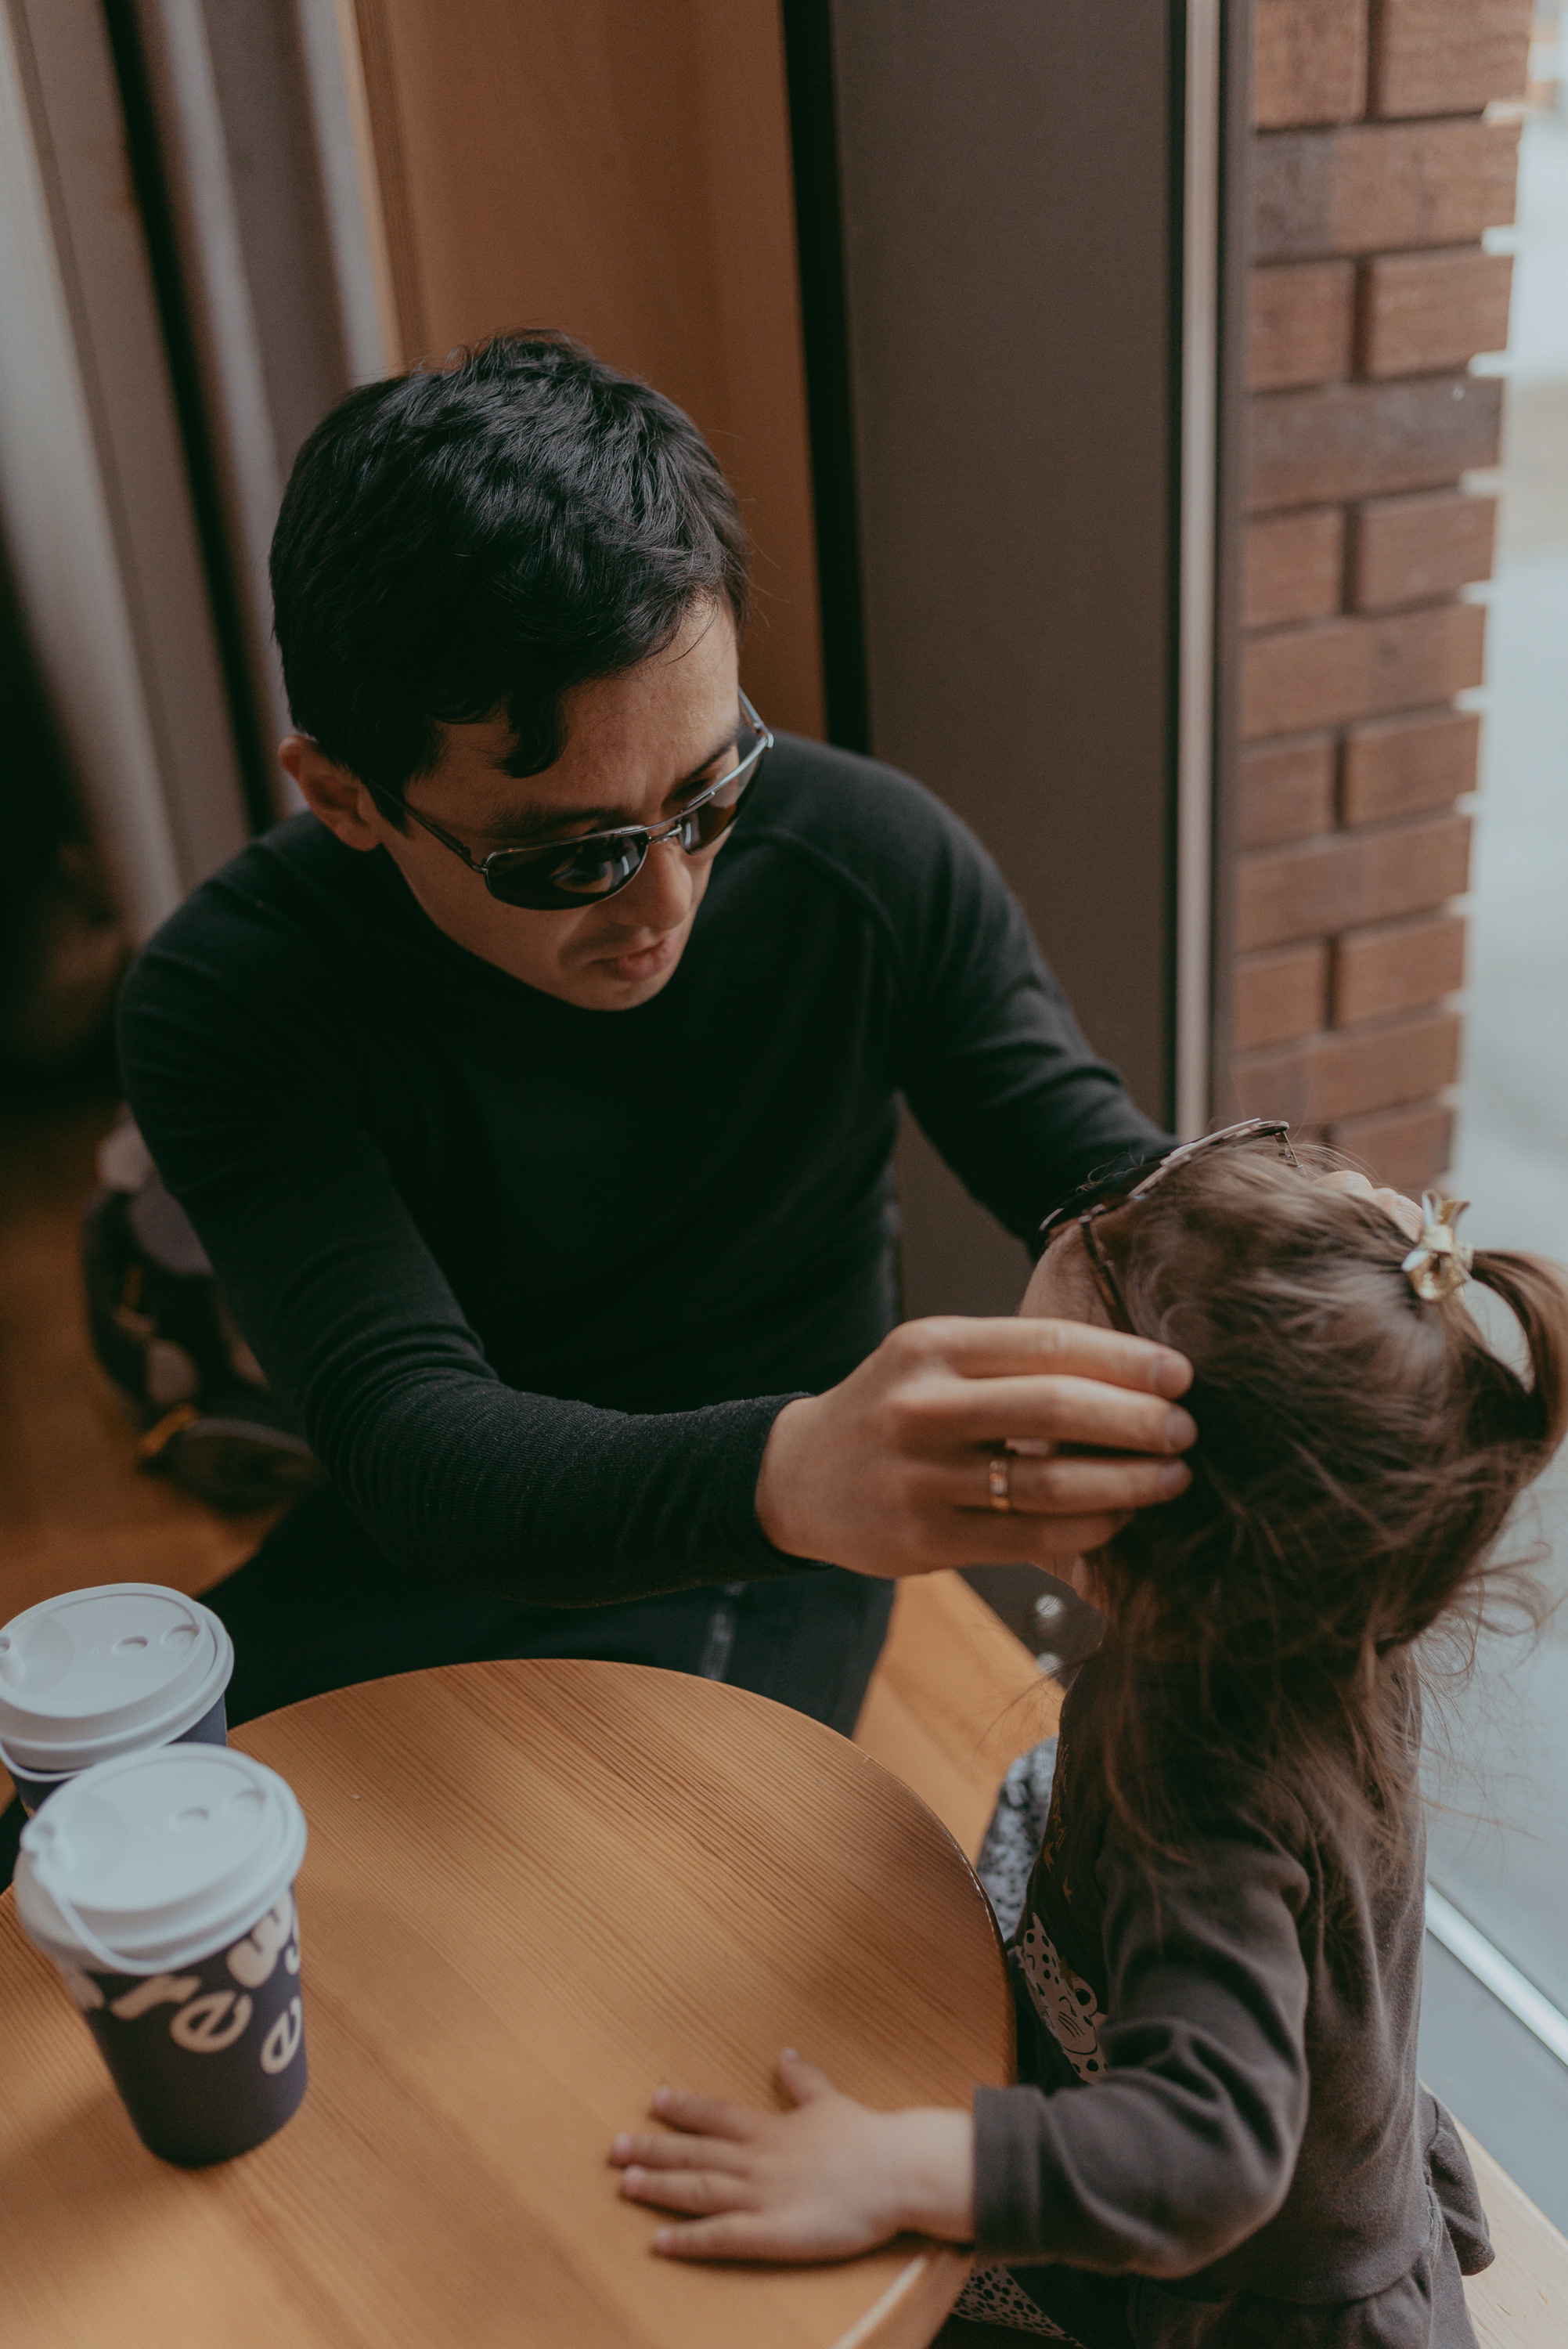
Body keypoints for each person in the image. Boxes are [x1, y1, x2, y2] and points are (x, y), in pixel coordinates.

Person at [113, 330, 1198, 1738]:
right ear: (345, 795)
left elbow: (1103, 1183)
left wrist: (1285, 1236)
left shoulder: (871, 863)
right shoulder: (230, 999)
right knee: (78, 1849)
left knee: (635, 1944)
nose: (668, 900)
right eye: (570, 857)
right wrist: (800, 1460)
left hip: (776, 1555)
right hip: (481, 1511)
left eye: (710, 794)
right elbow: (411, 1438)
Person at [609, 1128, 1568, 2349]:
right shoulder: (1328, 1622)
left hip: (1233, 2306)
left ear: (1141, 1517)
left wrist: (895, 2166)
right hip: (1292, 2166)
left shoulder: (1197, 1766)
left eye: (1026, 1423)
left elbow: (1211, 2153)